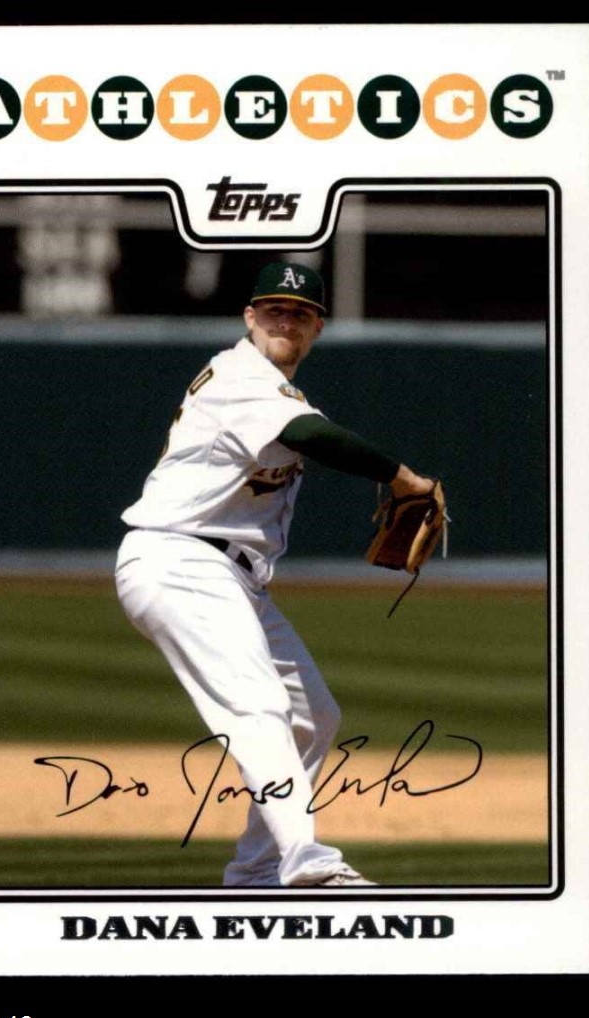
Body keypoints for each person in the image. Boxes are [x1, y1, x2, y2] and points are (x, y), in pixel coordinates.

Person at [115, 261, 433, 888]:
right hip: (180, 559)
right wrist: (402, 477)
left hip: (229, 575)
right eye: (274, 310)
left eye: (300, 313)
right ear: (250, 318)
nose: (286, 320)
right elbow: (311, 435)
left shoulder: (276, 390)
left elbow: (302, 427)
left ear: (317, 328)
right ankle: (306, 862)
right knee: (258, 704)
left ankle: (258, 869)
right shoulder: (240, 375)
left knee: (313, 716)